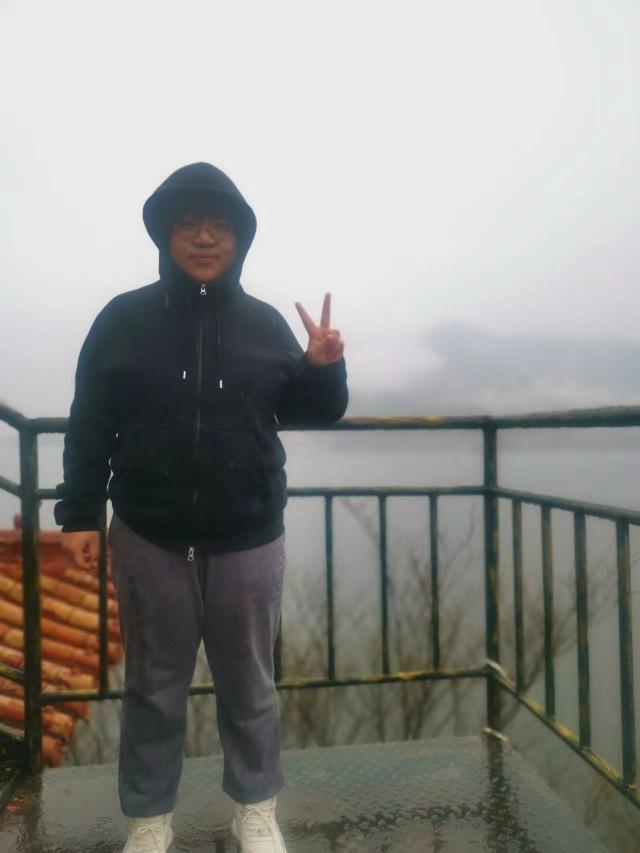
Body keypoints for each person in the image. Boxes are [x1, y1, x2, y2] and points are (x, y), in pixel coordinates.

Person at [54, 161, 348, 853]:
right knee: (154, 686)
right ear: (165, 235)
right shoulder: (122, 320)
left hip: (248, 532)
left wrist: (322, 366)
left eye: (219, 225)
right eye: (188, 224)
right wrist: (78, 514)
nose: (205, 237)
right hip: (148, 532)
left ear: (241, 238)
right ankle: (149, 818)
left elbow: (311, 410)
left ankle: (255, 807)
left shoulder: (263, 323)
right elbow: (89, 420)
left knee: (250, 683)